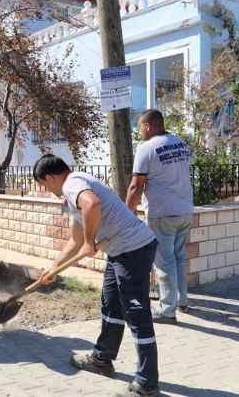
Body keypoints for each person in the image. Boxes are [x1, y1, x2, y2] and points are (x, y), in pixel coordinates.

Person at [33, 154, 159, 397]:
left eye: (44, 185)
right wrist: (53, 268)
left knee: (137, 314)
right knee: (111, 304)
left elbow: (92, 205)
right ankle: (102, 359)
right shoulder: (73, 194)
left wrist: (90, 242)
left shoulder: (72, 184)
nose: (46, 190)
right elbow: (76, 240)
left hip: (134, 250)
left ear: (50, 177)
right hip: (119, 251)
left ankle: (147, 383)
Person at [126, 109, 194, 324]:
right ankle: (182, 300)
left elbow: (136, 185)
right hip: (185, 210)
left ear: (147, 126)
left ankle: (166, 310)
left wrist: (127, 214)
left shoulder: (146, 148)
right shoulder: (180, 143)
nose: (139, 132)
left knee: (164, 262)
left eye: (139, 127)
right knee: (179, 257)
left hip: (162, 213)